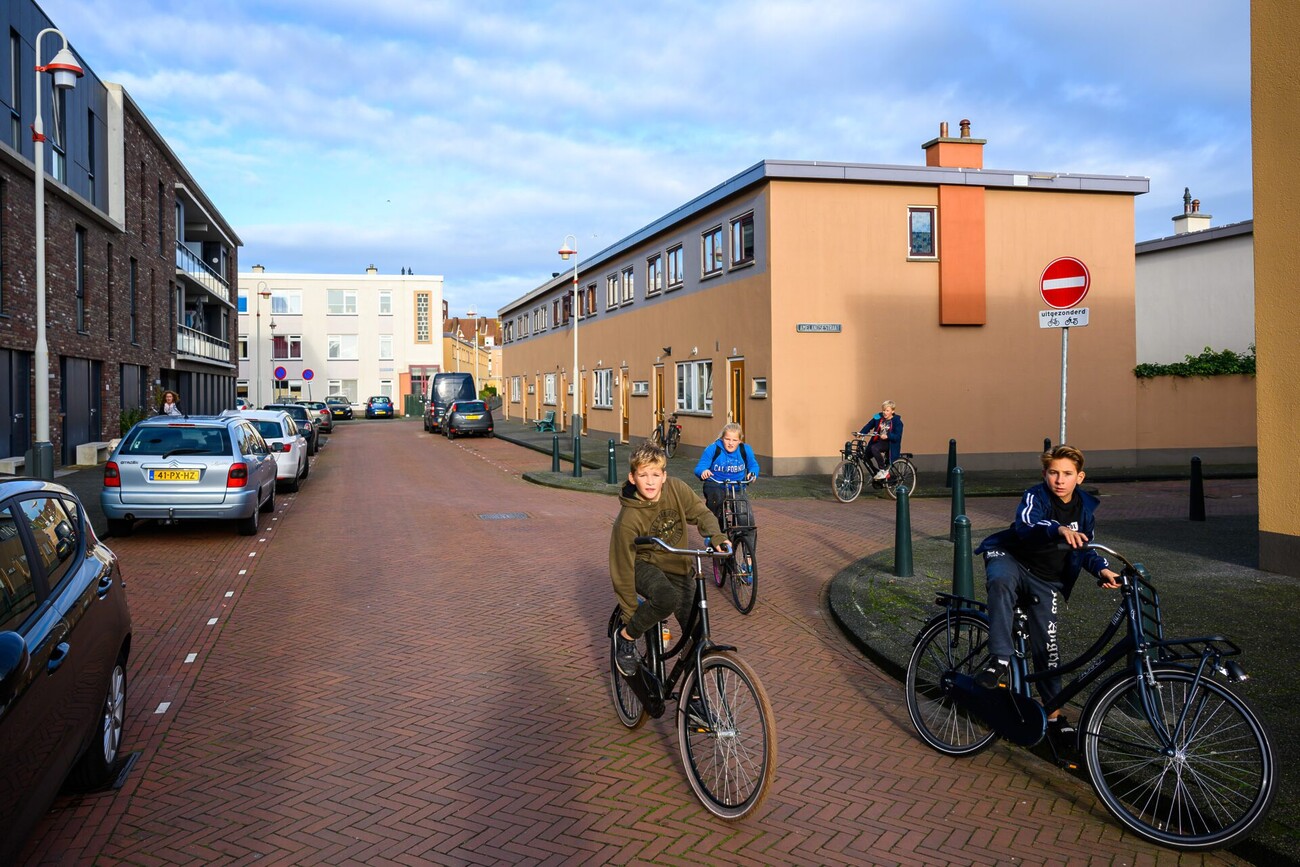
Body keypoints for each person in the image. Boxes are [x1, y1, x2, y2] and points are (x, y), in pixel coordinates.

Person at [973, 444, 1121, 740]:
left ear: (1079, 477)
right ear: (1045, 474)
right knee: (1001, 583)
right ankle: (1000, 659)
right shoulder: (1034, 496)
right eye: (1053, 473)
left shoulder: (1084, 509)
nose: (1059, 479)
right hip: (1011, 558)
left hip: (1045, 579)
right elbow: (1026, 525)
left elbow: (1085, 547)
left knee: (1048, 649)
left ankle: (1053, 714)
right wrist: (1057, 529)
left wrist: (1103, 569)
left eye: (1067, 474)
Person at [610, 442, 729, 676]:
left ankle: (694, 696)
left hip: (678, 564)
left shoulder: (676, 489)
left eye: (656, 474)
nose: (650, 481)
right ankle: (625, 638)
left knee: (697, 634)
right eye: (643, 475)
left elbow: (701, 512)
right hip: (643, 565)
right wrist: (631, 617)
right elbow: (621, 569)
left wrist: (716, 536)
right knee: (666, 598)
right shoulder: (628, 519)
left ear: (664, 476)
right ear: (632, 478)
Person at [693, 422, 760, 530]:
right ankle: (713, 532)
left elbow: (753, 465)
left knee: (745, 516)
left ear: (740, 441)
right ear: (722, 438)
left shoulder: (745, 450)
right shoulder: (713, 449)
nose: (731, 443)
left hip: (737, 486)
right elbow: (699, 467)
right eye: (727, 439)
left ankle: (745, 539)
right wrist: (703, 471)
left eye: (734, 440)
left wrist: (753, 473)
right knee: (716, 503)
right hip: (716, 484)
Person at [858, 400, 902, 481]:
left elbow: (897, 436)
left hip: (889, 443)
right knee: (865, 456)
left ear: (893, 411)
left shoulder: (897, 421)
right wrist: (861, 432)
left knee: (875, 448)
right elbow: (869, 425)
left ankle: (883, 470)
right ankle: (876, 472)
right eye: (883, 410)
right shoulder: (878, 416)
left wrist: (888, 436)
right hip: (878, 441)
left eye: (887, 410)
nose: (884, 412)